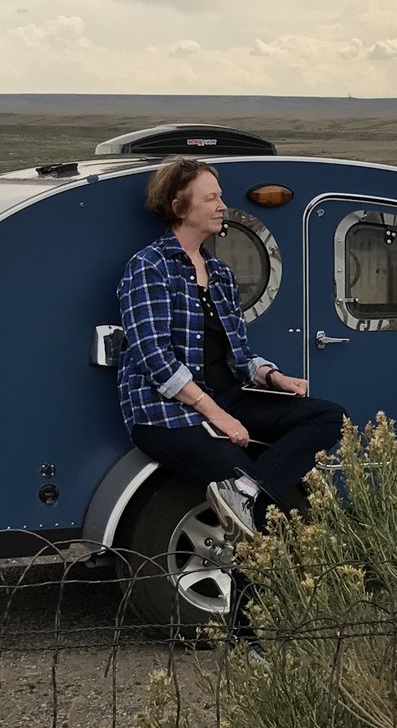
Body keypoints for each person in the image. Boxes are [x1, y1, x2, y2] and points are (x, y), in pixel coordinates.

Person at [115, 158, 349, 537]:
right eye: (210, 198)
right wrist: (217, 415)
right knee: (236, 476)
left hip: (227, 397)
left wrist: (273, 376)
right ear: (179, 207)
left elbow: (238, 354)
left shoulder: (220, 274)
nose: (222, 206)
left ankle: (245, 491)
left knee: (329, 416)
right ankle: (251, 571)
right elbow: (151, 355)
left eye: (220, 197)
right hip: (165, 414)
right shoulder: (149, 267)